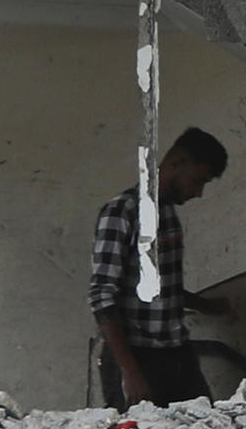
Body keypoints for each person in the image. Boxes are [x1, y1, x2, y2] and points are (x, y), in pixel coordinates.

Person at [88, 127, 229, 405]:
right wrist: (130, 371)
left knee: (207, 426)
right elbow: (102, 296)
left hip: (178, 354)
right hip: (137, 359)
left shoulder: (167, 213)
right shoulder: (122, 212)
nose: (199, 192)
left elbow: (160, 287)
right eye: (197, 181)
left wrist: (207, 306)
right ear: (176, 164)